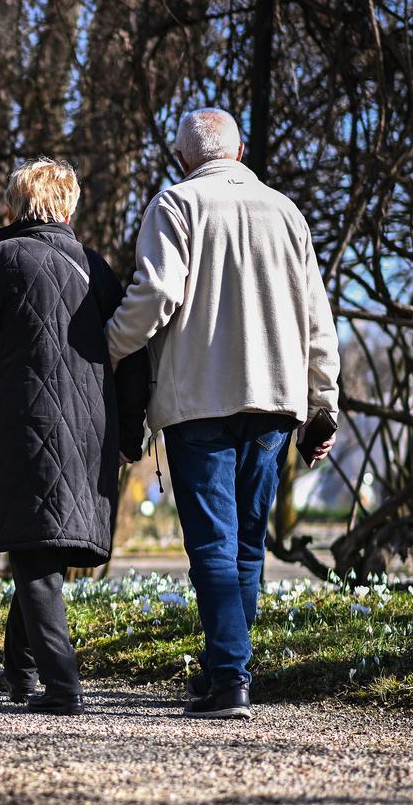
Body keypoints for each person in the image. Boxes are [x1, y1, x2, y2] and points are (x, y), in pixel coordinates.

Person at [106, 108, 341, 720]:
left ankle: (230, 678)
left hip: (198, 401)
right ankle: (222, 672)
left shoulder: (176, 204)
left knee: (213, 543)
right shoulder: (286, 212)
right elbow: (317, 320)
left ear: (183, 157)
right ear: (238, 153)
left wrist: (108, 346)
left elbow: (158, 293)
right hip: (275, 401)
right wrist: (323, 404)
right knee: (247, 546)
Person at [0, 158, 149, 716]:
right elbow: (134, 356)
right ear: (67, 208)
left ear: (15, 206)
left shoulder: (3, 261)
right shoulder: (97, 270)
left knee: (34, 552)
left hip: (25, 426)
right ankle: (21, 670)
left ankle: (63, 685)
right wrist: (129, 433)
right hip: (91, 431)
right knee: (42, 544)